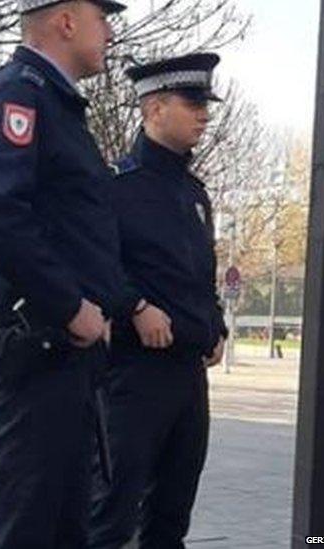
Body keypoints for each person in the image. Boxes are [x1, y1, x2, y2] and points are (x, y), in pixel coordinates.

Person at [0, 1, 145, 547]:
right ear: (66, 21)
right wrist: (69, 305)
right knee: (25, 528)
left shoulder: (57, 106)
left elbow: (75, 231)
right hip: (39, 344)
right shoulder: (20, 96)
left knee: (65, 527)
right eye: (102, 16)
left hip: (67, 352)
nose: (111, 30)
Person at [88, 53, 228, 549]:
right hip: (135, 374)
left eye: (204, 103)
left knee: (171, 518)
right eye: (192, 103)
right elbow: (96, 264)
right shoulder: (117, 188)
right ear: (154, 107)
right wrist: (135, 307)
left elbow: (200, 277)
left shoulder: (194, 192)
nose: (203, 114)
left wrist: (217, 326)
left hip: (189, 375)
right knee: (112, 517)